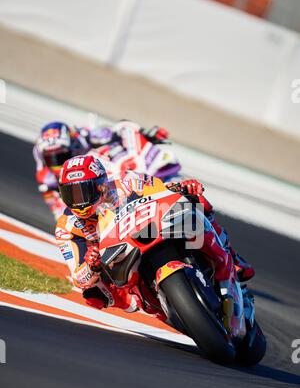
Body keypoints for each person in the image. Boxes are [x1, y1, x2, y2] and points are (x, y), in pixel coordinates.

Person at [55, 154, 254, 319]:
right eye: (70, 194)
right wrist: (92, 265)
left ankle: (230, 256)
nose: (78, 201)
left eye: (83, 192)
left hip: (146, 231)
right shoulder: (67, 226)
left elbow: (164, 191)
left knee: (196, 201)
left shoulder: (127, 183)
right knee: (93, 294)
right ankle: (153, 301)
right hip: (118, 262)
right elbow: (79, 278)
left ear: (100, 185)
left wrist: (184, 188)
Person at [34, 120, 179, 220]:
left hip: (102, 173)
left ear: (73, 145)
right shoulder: (46, 177)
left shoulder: (85, 137)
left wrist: (144, 134)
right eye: (50, 158)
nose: (56, 163)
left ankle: (153, 183)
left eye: (61, 155)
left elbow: (118, 129)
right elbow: (60, 214)